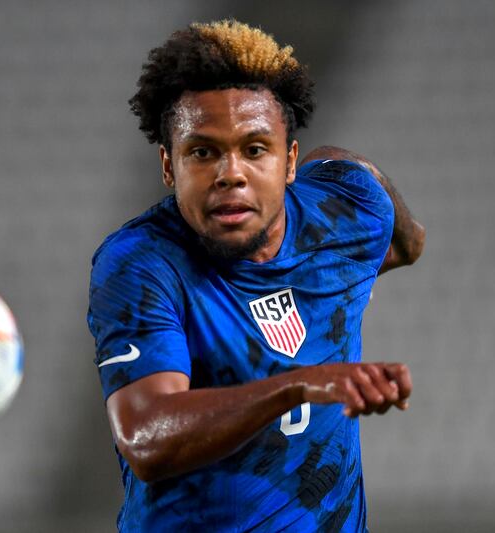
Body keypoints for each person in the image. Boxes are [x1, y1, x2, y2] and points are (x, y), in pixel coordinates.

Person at [87, 20, 425, 532]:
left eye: (255, 148)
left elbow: (405, 242)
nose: (231, 173)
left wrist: (352, 167)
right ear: (167, 165)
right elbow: (146, 438)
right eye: (202, 152)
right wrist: (297, 385)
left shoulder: (347, 211)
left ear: (290, 162)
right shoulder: (142, 263)